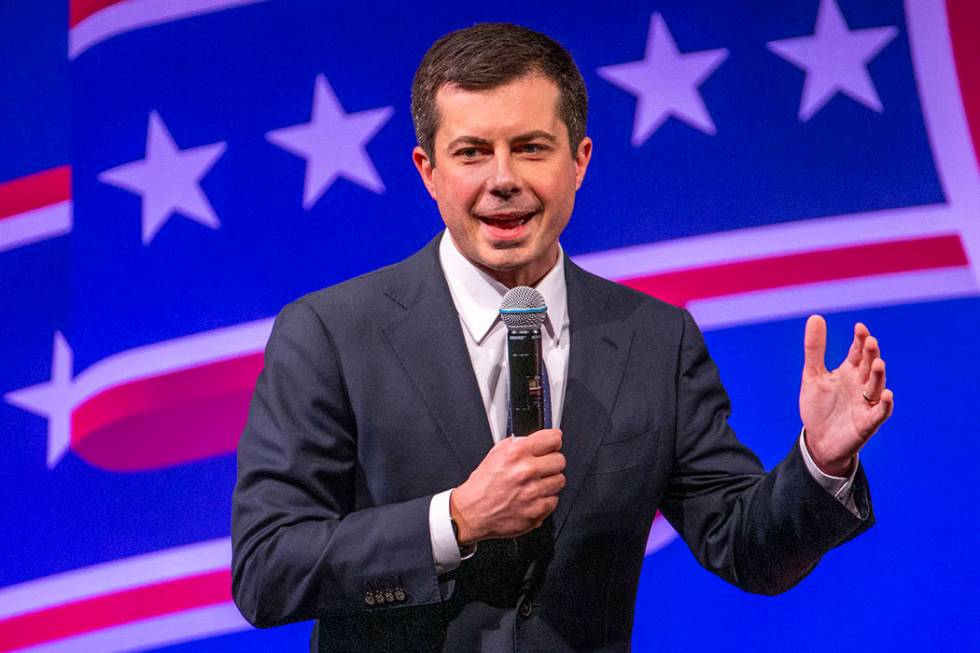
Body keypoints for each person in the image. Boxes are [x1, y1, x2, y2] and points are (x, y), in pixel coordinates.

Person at [231, 23, 894, 652]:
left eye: (530, 147)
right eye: (471, 152)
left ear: (579, 161)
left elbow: (750, 551)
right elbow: (267, 570)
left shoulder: (655, 339)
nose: (503, 179)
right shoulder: (330, 334)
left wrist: (820, 462)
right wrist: (455, 517)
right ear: (427, 170)